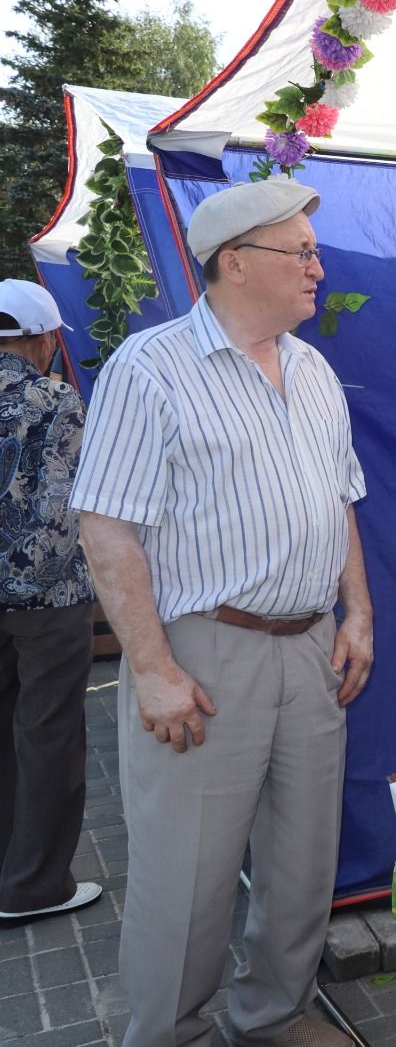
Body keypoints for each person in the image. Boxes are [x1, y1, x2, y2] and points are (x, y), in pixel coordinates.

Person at [71, 178, 372, 1047]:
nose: (319, 267)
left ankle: (275, 1017)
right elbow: (107, 528)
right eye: (301, 252)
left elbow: (339, 499)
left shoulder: (312, 370)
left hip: (311, 646)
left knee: (302, 857)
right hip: (204, 655)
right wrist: (155, 671)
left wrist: (358, 615)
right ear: (235, 263)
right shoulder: (151, 368)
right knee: (187, 874)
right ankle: (169, 1035)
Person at [0, 280, 99, 926]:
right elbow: (62, 510)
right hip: (45, 599)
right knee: (47, 737)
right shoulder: (55, 398)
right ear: (41, 341)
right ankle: (34, 887)